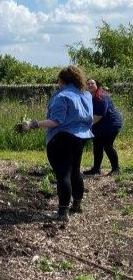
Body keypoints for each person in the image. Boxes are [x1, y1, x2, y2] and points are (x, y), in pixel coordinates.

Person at [16, 65, 93, 221]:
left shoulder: (62, 96)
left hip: (63, 137)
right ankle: (77, 204)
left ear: (62, 80)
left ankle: (62, 212)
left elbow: (56, 121)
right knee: (75, 170)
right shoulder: (85, 95)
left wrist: (32, 124)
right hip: (82, 137)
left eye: (58, 79)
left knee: (63, 173)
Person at [82, 79, 123, 175]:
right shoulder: (88, 97)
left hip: (111, 124)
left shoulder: (101, 97)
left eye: (92, 83)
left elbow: (99, 115)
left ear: (97, 85)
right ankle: (96, 169)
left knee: (107, 145)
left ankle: (116, 169)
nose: (90, 85)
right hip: (100, 125)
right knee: (97, 145)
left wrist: (85, 126)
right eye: (88, 84)